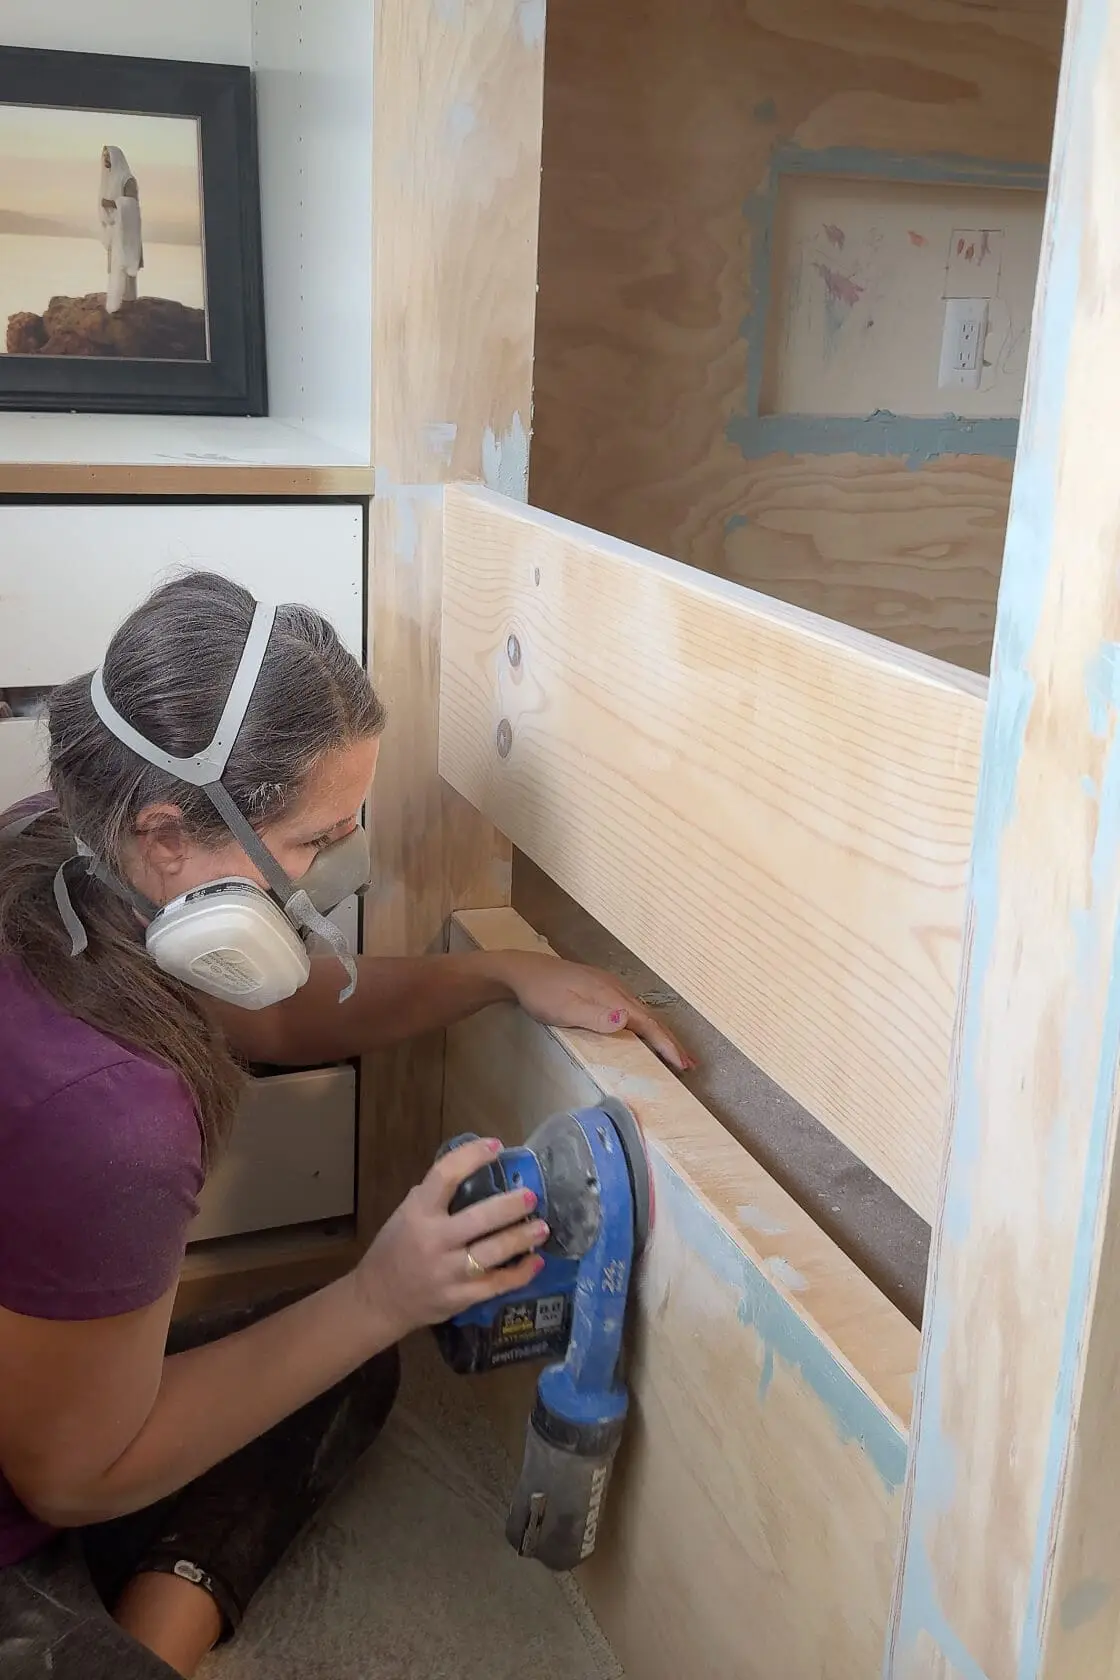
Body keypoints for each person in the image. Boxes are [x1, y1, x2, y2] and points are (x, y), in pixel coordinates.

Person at [0, 572, 689, 1678]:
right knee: (346, 1333)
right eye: (319, 839)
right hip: (36, 1467)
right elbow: (66, 1481)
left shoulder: (63, 854)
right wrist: (384, 1294)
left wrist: (504, 974)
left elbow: (276, 1013)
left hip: (34, 1391)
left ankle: (152, 1619)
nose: (341, 864)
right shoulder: (109, 1115)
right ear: (169, 835)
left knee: (337, 1367)